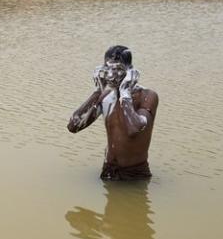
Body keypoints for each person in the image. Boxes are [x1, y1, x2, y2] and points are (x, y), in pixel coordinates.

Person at [67, 45, 159, 180]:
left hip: (135, 173)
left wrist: (125, 91)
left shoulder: (147, 96)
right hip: (108, 171)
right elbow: (74, 126)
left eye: (116, 69)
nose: (111, 75)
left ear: (129, 71)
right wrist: (98, 90)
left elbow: (133, 129)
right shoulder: (106, 96)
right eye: (107, 69)